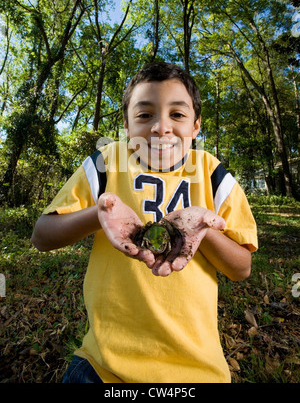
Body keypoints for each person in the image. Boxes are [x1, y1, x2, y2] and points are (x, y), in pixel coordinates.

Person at [31, 62, 258, 383]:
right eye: (144, 115)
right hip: (102, 365)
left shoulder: (212, 174)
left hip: (197, 370)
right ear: (126, 124)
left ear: (196, 126)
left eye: (177, 115)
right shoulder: (107, 163)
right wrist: (98, 213)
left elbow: (242, 268)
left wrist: (203, 230)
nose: (160, 127)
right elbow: (42, 235)